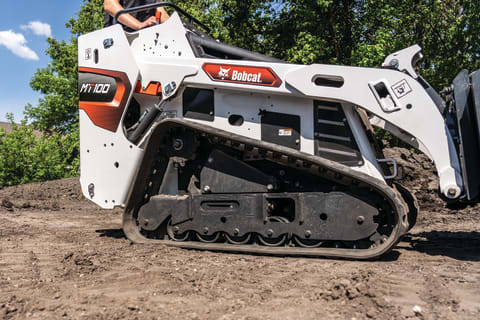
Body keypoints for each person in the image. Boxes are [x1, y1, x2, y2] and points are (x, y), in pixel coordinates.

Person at [104, 0, 170, 31]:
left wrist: (175, 28)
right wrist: (139, 25)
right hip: (121, 38)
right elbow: (109, 5)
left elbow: (160, 9)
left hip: (146, 36)